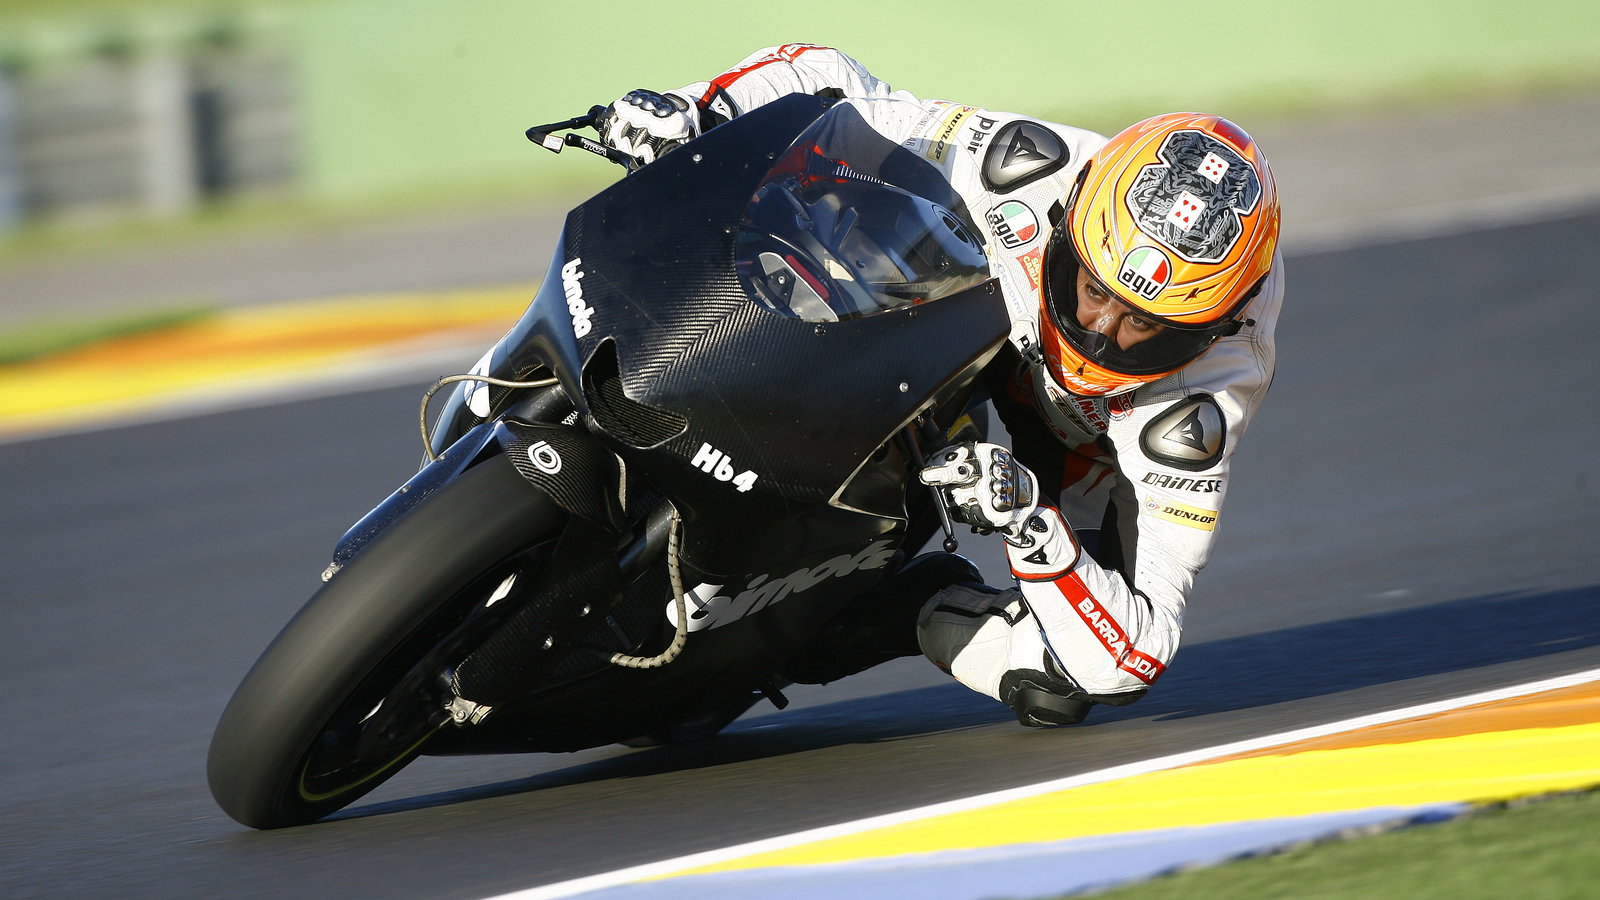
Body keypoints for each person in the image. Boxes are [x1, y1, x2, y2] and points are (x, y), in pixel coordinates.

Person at [596, 44, 1282, 726]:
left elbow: (1138, 649)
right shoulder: (1025, 166)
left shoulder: (1202, 399)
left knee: (1062, 680)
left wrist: (1030, 521)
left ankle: (902, 608)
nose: (1099, 330)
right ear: (1068, 220)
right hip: (975, 313)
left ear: (1211, 331)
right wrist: (695, 106)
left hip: (1084, 438)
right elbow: (833, 83)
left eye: (1145, 328)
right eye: (1092, 289)